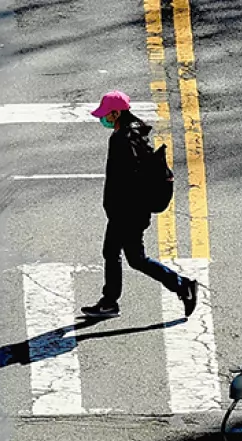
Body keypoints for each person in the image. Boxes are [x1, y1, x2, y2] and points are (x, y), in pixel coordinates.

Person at [80, 90, 198, 319]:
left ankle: (182, 285)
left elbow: (126, 179)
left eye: (107, 114)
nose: (104, 119)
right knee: (112, 252)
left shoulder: (122, 139)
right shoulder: (135, 133)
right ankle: (109, 302)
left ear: (116, 112)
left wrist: (117, 208)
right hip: (128, 210)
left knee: (135, 259)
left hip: (127, 212)